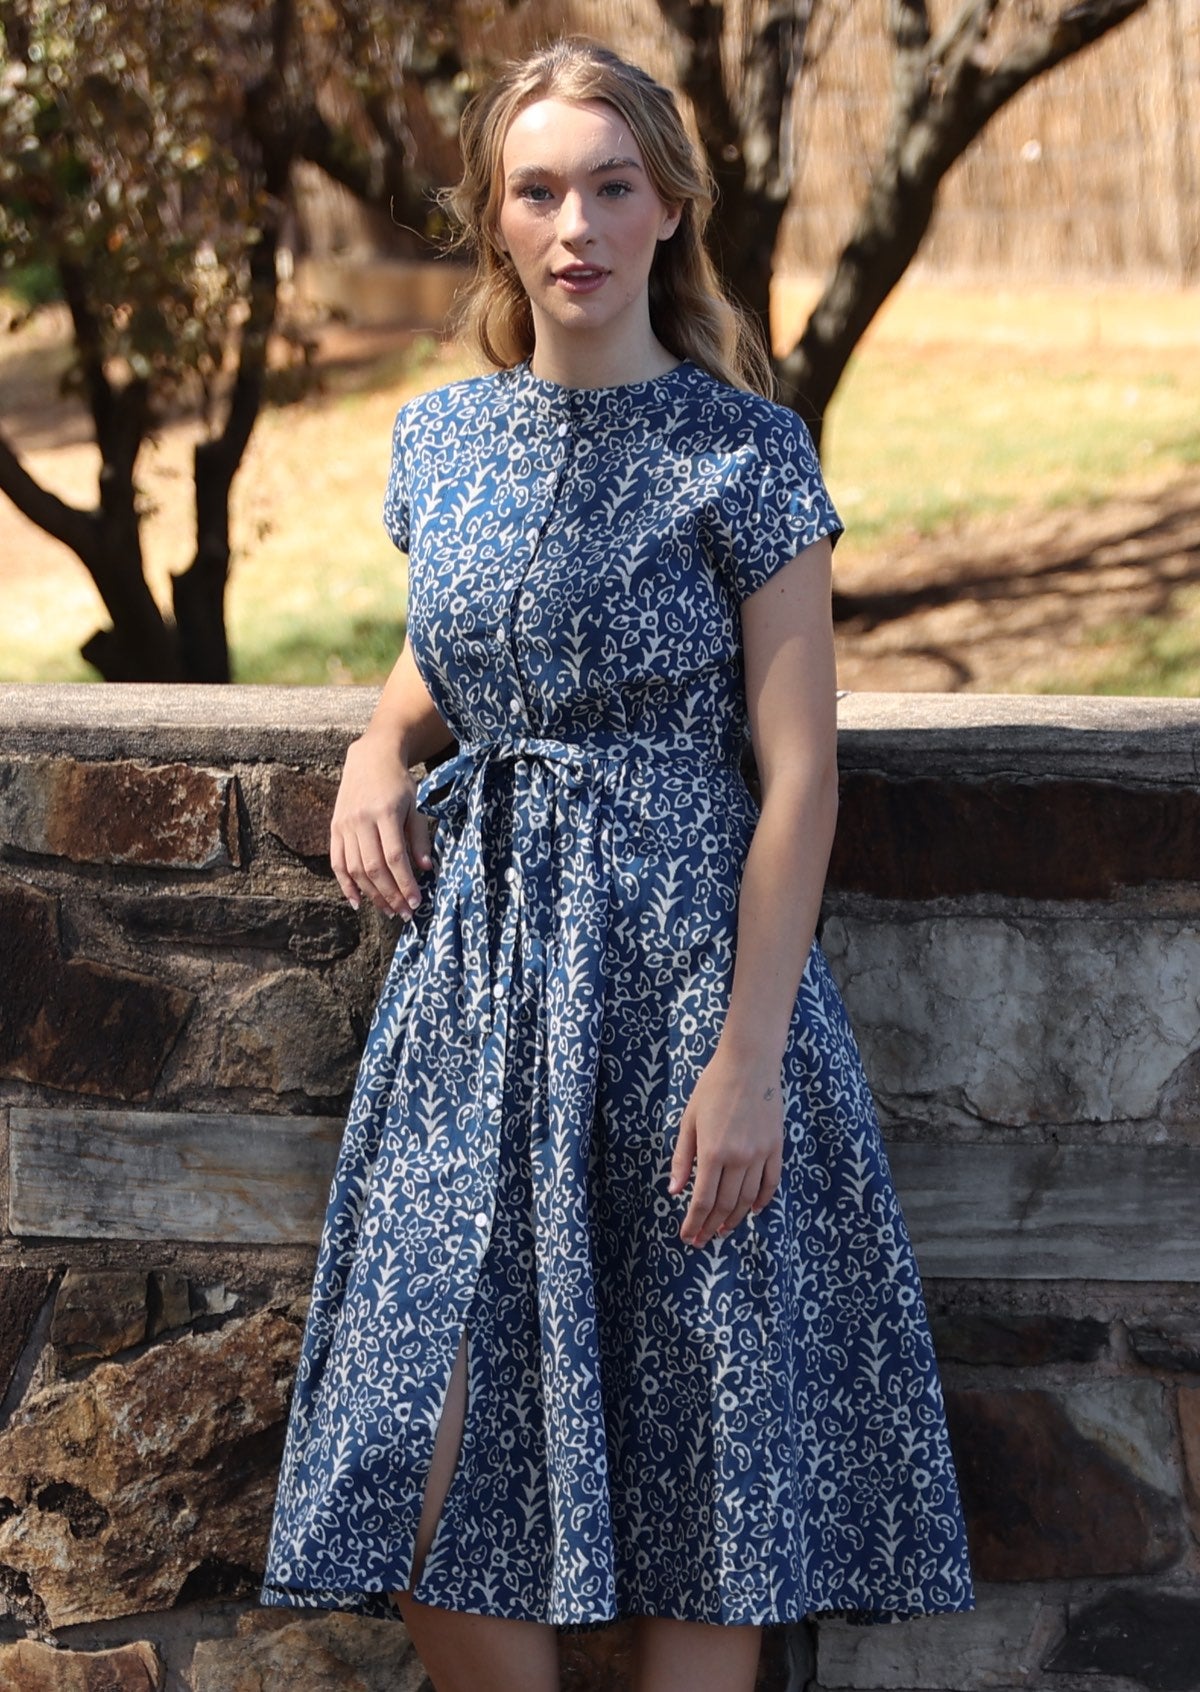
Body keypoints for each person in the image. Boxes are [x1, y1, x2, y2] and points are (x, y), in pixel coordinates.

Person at [260, 37, 974, 1692]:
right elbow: (445, 660)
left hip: (683, 993)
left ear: (667, 211)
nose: (573, 222)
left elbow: (802, 780)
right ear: (494, 221)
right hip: (483, 1001)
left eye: (609, 187)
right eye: (536, 191)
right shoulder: (443, 445)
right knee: (416, 1442)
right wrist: (379, 753)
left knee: (703, 1453)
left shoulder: (742, 456)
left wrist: (748, 1066)